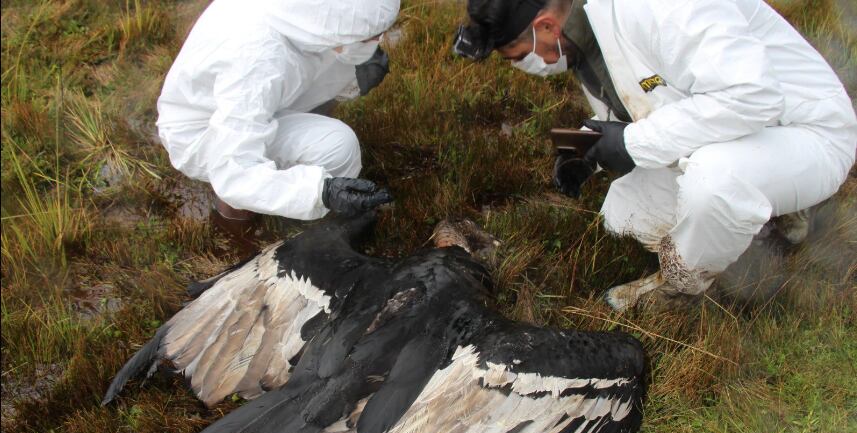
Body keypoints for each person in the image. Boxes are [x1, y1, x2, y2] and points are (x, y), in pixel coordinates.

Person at [454, 0, 857, 311]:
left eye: (519, 55)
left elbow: (754, 96)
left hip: (801, 132)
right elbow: (637, 104)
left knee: (713, 184)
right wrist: (577, 148)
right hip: (732, 131)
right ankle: (765, 206)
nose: (529, 65)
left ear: (545, 25)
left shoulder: (659, 7)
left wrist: (631, 144)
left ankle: (680, 291)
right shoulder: (586, 34)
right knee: (623, 219)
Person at [156, 0, 399, 228]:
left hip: (248, 101)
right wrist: (320, 192)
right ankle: (233, 224)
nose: (379, 40)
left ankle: (287, 167)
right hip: (205, 132)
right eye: (373, 36)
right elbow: (233, 171)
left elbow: (310, 59)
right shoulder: (256, 61)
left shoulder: (305, 15)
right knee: (339, 149)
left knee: (345, 67)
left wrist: (355, 69)